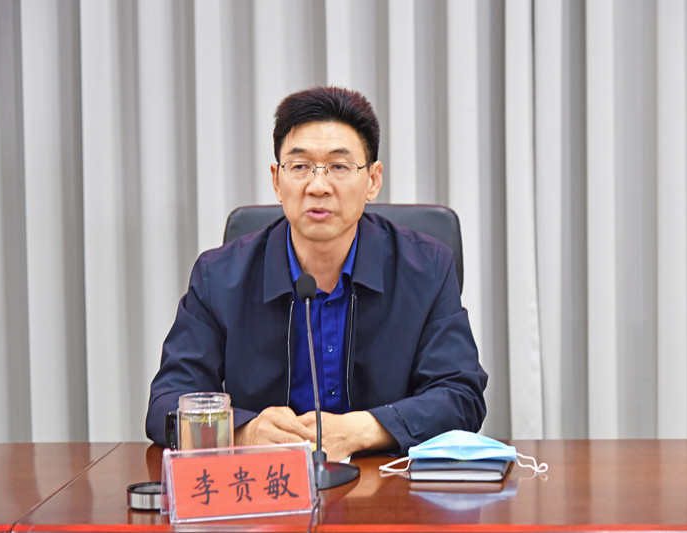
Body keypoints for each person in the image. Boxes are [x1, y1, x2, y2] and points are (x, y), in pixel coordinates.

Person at [146, 86, 487, 460]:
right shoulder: (219, 277)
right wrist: (243, 431)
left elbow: (461, 396)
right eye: (300, 167)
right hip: (267, 486)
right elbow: (167, 402)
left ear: (373, 180)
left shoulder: (427, 268)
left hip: (385, 485)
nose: (319, 186)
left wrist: (363, 430)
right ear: (276, 180)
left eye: (339, 167)